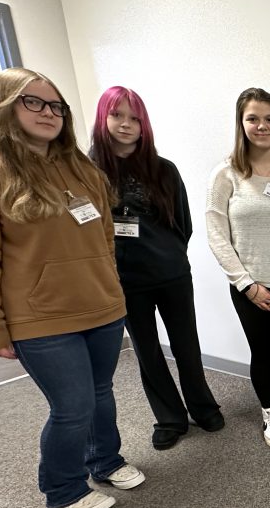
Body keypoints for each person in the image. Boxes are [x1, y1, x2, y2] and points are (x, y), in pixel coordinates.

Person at [0, 67, 143, 508]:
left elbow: (104, 238)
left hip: (103, 307)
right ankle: (63, 490)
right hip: (42, 319)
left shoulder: (82, 167)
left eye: (55, 105)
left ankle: (105, 460)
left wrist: (111, 288)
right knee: (71, 407)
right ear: (4, 107)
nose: (47, 112)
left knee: (100, 393)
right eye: (32, 101)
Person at [89, 86, 223, 451]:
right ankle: (169, 418)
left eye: (135, 118)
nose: (126, 124)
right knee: (146, 351)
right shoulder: (88, 172)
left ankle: (203, 406)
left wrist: (168, 254)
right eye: (117, 115)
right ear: (103, 117)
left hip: (172, 275)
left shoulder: (163, 169)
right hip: (124, 282)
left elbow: (184, 223)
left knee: (187, 346)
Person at [207, 88, 270, 447]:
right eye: (253, 118)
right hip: (248, 287)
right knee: (261, 353)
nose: (262, 126)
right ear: (241, 123)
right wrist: (247, 284)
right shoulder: (226, 174)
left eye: (269, 118)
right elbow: (217, 233)